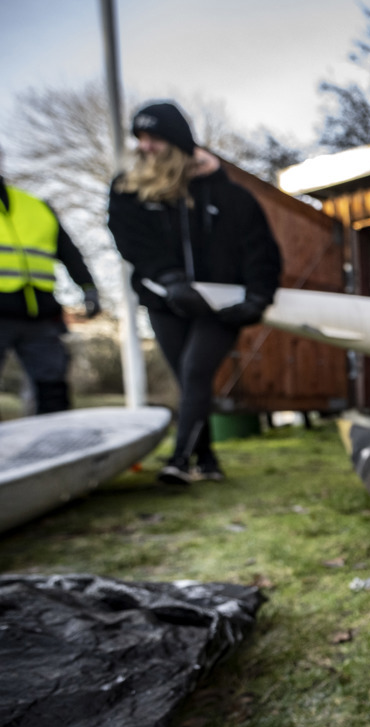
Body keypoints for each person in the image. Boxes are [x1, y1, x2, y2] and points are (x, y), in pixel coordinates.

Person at [107, 102, 280, 485]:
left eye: (153, 138)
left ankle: (179, 460)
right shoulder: (129, 189)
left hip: (220, 305)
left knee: (195, 370)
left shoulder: (230, 196)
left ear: (177, 141)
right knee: (188, 382)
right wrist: (168, 279)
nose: (144, 146)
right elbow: (132, 241)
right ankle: (208, 459)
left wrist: (257, 298)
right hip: (164, 300)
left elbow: (261, 251)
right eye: (140, 138)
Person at [0, 145, 101, 417]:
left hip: (40, 314)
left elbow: (69, 253)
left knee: (53, 391)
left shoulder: (36, 206)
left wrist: (88, 288)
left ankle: (55, 441)